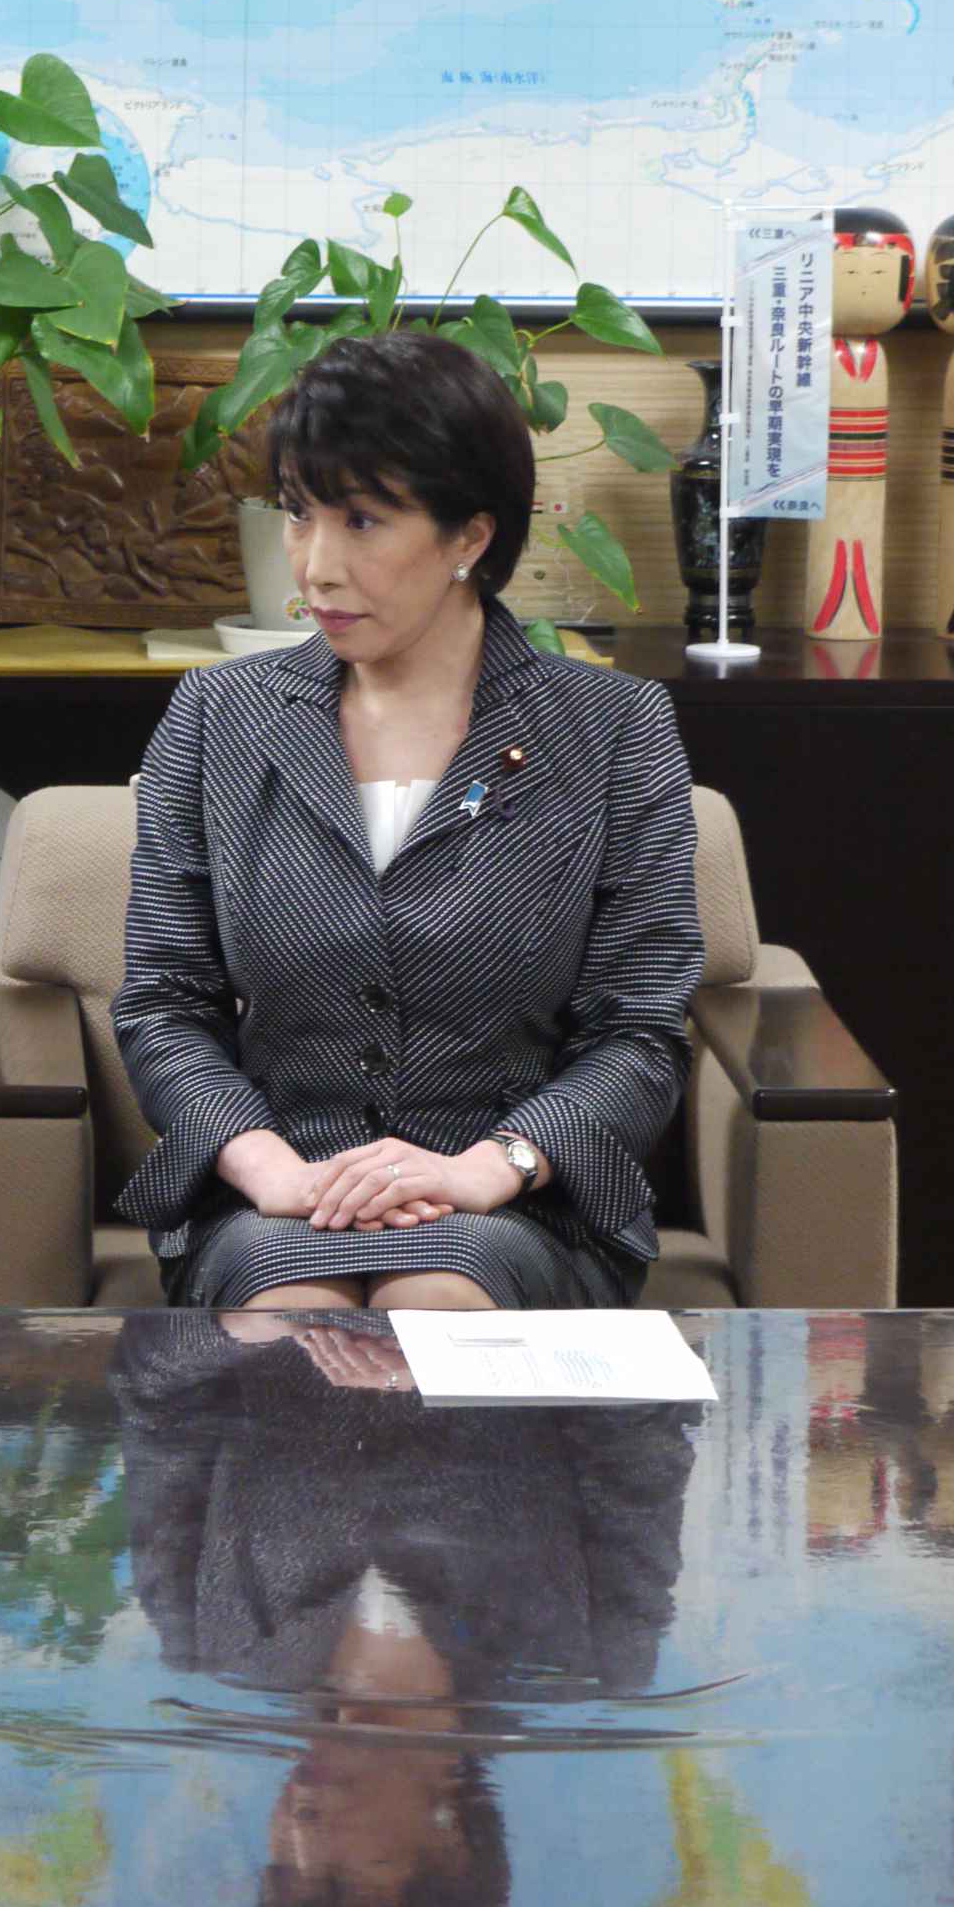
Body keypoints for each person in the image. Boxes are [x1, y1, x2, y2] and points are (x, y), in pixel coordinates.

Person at [114, 330, 703, 1314]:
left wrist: (487, 1167)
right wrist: (269, 1173)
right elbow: (162, 1003)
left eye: (360, 521)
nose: (315, 568)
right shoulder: (217, 718)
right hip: (280, 1198)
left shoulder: (609, 731)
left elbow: (637, 1032)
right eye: (299, 515)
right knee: (291, 1317)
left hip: (513, 1203)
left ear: (468, 537)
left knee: (434, 1300)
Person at [113, 1310, 693, 1907]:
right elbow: (645, 1390)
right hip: (495, 1242)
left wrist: (246, 1322)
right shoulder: (594, 1656)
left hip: (273, 1245)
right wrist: (466, 1359)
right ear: (449, 1850)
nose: (298, 1832)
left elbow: (150, 1389)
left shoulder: (209, 1643)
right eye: (340, 1876)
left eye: (284, 1874)